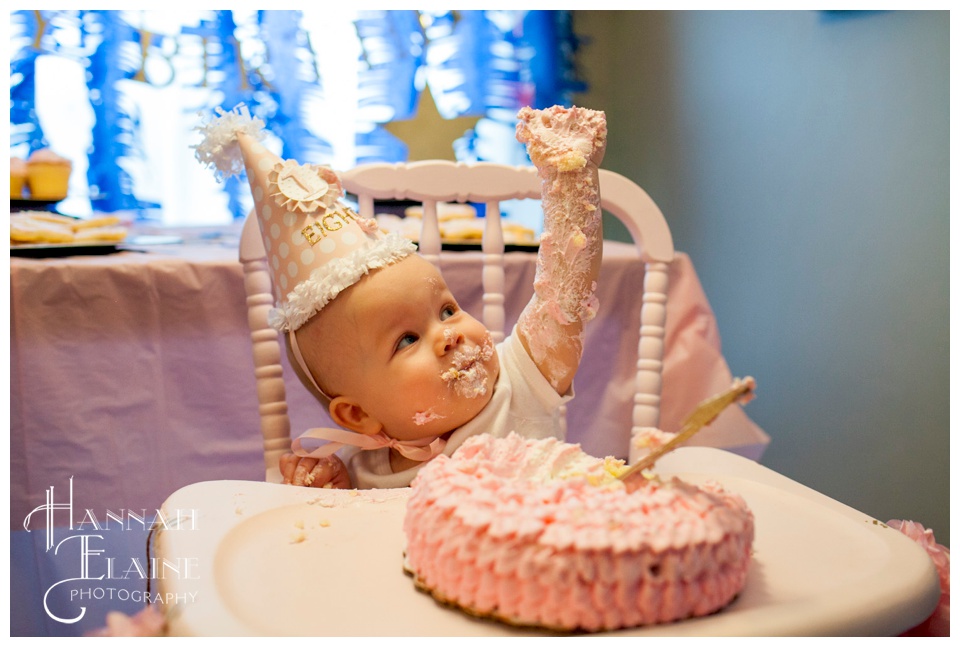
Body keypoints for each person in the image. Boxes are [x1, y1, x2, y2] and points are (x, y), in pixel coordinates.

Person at [194, 104, 606, 489]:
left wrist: (569, 176)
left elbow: (564, 294)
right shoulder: (362, 470)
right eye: (407, 340)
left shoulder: (521, 382)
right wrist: (330, 486)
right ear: (359, 415)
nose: (449, 335)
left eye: (447, 310)